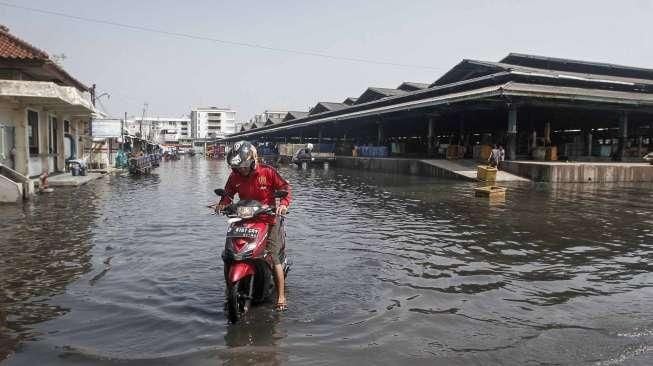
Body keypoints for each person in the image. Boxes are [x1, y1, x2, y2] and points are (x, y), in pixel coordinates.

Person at [215, 141, 292, 311]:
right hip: (243, 219)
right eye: (237, 167)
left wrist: (283, 205)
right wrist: (222, 204)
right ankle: (230, 291)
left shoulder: (267, 172)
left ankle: (281, 297)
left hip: (268, 218)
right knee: (229, 254)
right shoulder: (235, 175)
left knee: (273, 257)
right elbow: (228, 194)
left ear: (252, 160)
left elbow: (285, 188)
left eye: (242, 166)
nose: (240, 170)